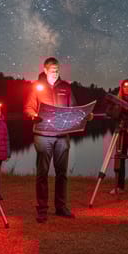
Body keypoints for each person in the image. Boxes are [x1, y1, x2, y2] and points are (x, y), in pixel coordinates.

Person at [24, 57, 80, 223]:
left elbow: (74, 108)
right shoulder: (36, 87)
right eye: (52, 70)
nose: (55, 73)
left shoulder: (66, 87)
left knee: (61, 173)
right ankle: (42, 209)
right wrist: (33, 115)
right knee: (42, 173)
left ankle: (61, 207)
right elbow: (28, 107)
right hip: (43, 136)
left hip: (62, 136)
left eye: (57, 70)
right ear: (45, 69)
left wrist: (83, 115)